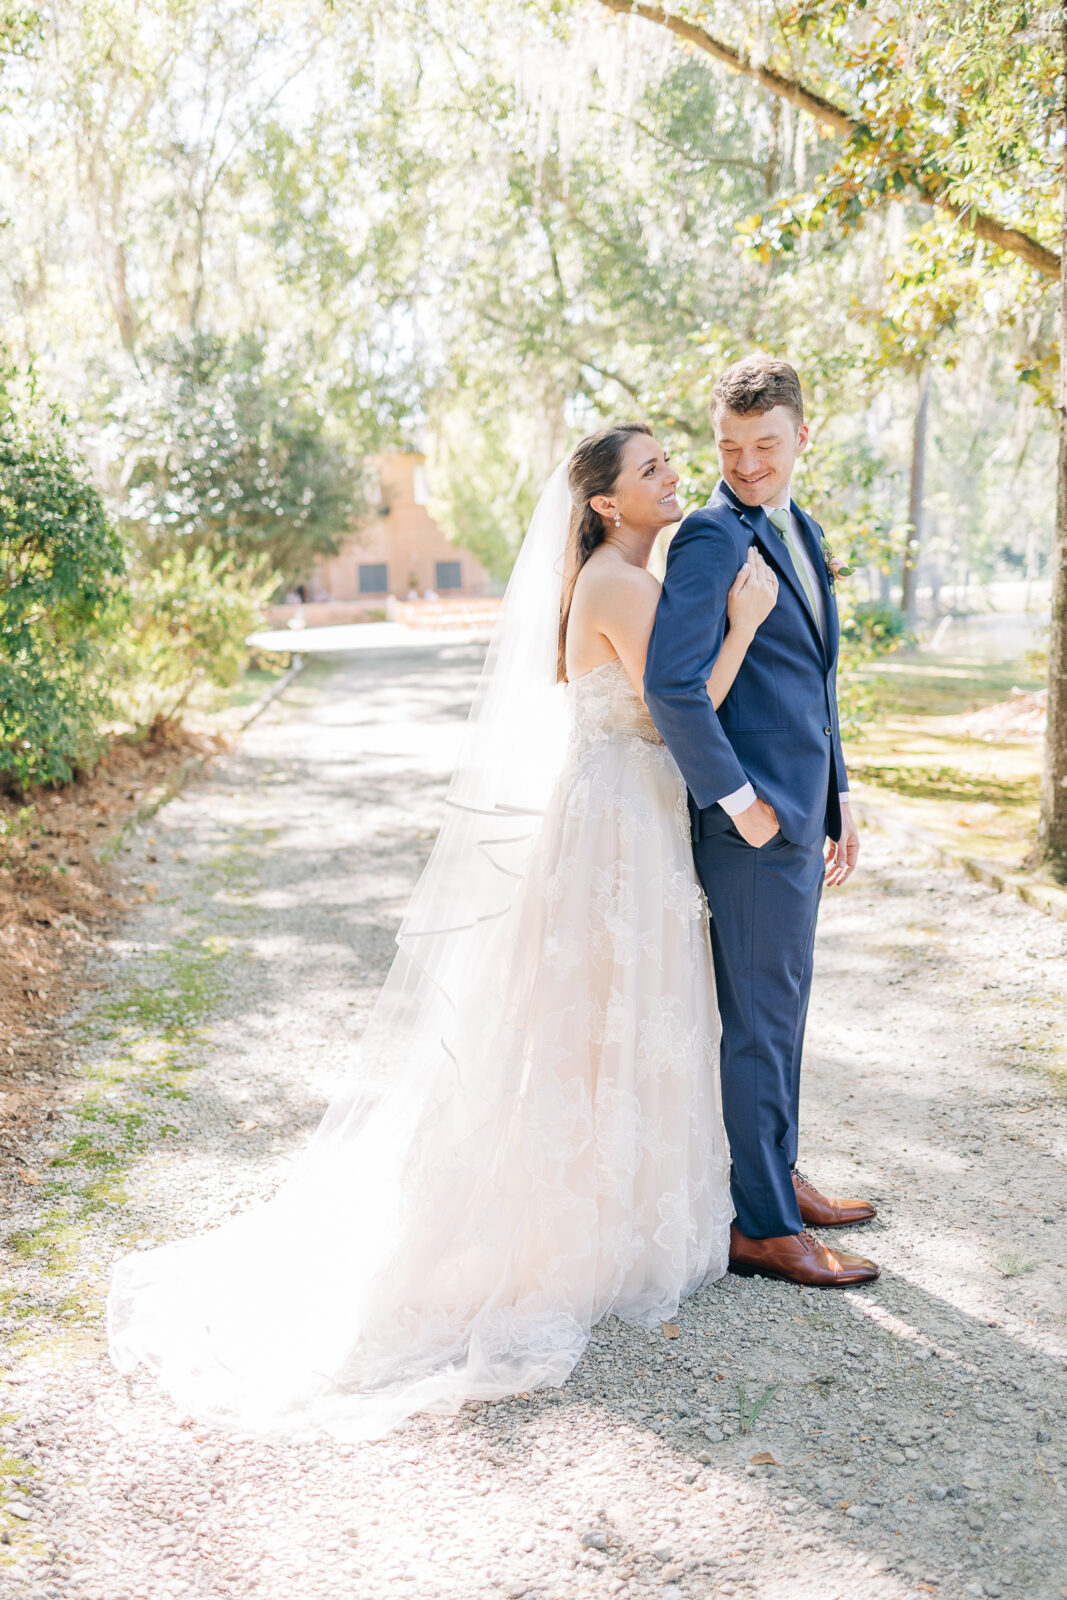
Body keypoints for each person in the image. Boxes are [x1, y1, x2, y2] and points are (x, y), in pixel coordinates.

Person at [107, 424, 777, 1440]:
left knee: (614, 1008)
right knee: (591, 1011)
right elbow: (668, 716)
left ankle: (622, 1208)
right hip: (617, 813)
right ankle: (578, 1227)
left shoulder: (620, 576)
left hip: (627, 812)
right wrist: (740, 626)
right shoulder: (614, 584)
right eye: (649, 469)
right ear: (604, 502)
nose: (670, 474)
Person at [645, 355, 879, 1288]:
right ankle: (764, 1228)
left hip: (798, 812)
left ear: (800, 438)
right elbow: (672, 686)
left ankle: (775, 1172)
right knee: (754, 1023)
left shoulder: (800, 525)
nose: (747, 465)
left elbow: (813, 681)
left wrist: (840, 796)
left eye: (765, 446)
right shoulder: (709, 538)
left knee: (781, 1014)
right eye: (730, 448)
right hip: (748, 829)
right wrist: (737, 805)